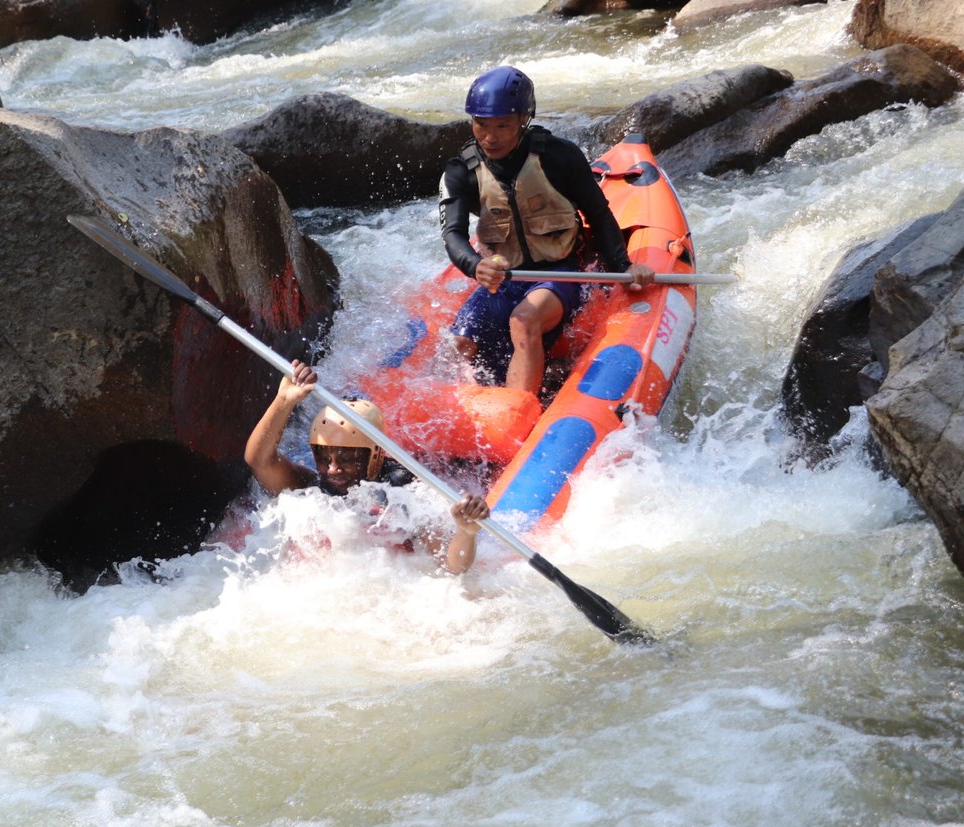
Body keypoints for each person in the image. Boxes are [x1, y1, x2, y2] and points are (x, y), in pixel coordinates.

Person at [439, 65, 656, 395]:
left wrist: (624, 267)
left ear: (523, 120)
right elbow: (453, 233)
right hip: (505, 277)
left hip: (560, 273)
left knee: (523, 321)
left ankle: (516, 415)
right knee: (459, 342)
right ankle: (457, 418)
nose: (489, 136)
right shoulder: (460, 171)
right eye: (481, 124)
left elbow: (598, 213)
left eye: (503, 125)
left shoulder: (559, 156)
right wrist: (474, 265)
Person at [243, 360, 493, 574]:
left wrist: (466, 533)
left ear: (375, 456)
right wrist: (284, 401)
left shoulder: (404, 491)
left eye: (347, 459)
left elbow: (452, 565)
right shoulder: (311, 488)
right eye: (323, 458)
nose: (332, 469)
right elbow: (259, 461)